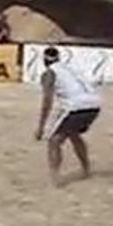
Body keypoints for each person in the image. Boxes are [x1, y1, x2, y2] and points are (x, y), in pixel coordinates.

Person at [35, 46, 102, 187]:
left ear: (44, 60)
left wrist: (41, 127)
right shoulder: (70, 69)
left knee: (54, 140)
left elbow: (47, 101)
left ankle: (55, 178)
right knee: (73, 133)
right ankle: (86, 168)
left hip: (76, 106)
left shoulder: (49, 73)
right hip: (94, 104)